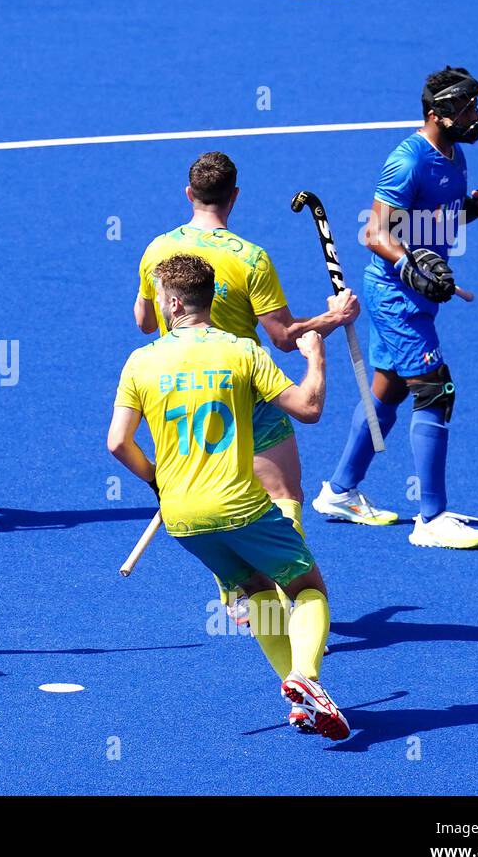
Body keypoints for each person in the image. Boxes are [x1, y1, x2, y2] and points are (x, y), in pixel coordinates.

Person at [110, 253, 350, 739]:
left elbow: (118, 443)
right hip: (240, 506)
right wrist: (316, 357)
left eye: (158, 296)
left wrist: (157, 480)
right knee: (308, 588)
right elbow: (309, 408)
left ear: (174, 303)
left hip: (181, 519)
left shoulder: (141, 361)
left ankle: (300, 698)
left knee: (259, 591)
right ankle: (306, 677)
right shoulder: (242, 352)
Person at [136, 151, 359, 619]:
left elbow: (142, 321)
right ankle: (286, 591)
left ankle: (237, 591)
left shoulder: (158, 250)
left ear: (188, 193)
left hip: (181, 391)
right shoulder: (251, 258)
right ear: (235, 196)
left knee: (207, 495)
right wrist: (332, 318)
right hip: (247, 389)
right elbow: (281, 338)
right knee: (282, 496)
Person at [313, 67, 478, 549]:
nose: (473, 115)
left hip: (417, 294)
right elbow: (375, 232)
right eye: (464, 107)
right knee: (436, 390)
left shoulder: (454, 155)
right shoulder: (407, 161)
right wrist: (412, 268)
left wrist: (475, 209)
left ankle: (339, 491)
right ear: (436, 113)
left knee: (389, 389)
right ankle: (432, 518)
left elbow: (431, 223)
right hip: (396, 297)